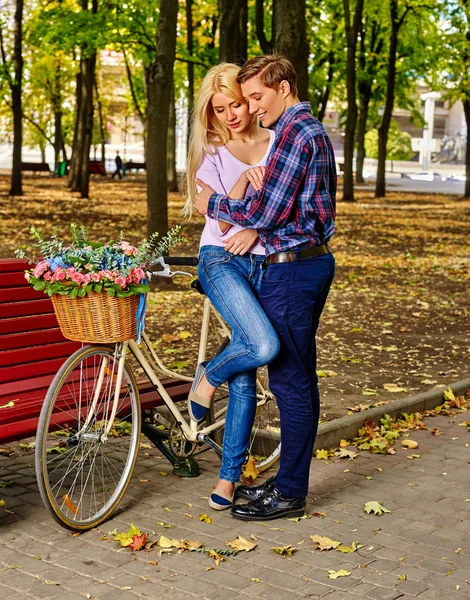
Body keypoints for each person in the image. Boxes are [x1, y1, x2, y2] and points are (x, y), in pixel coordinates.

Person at [195, 55, 337, 521]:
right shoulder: (302, 130)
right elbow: (271, 207)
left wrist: (211, 201)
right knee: (296, 380)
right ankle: (288, 484)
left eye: (256, 97)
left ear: (283, 86)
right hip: (294, 264)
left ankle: (290, 493)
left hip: (293, 268)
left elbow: (265, 212)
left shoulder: (296, 132)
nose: (251, 109)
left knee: (290, 382)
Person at [184, 63, 280, 511]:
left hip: (263, 262)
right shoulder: (213, 153)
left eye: (237, 104)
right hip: (219, 259)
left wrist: (257, 232)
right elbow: (220, 221)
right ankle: (207, 378)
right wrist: (242, 182)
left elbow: (288, 211)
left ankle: (227, 480)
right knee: (261, 344)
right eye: (220, 109)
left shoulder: (277, 143)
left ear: (249, 98)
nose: (231, 116)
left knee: (245, 369)